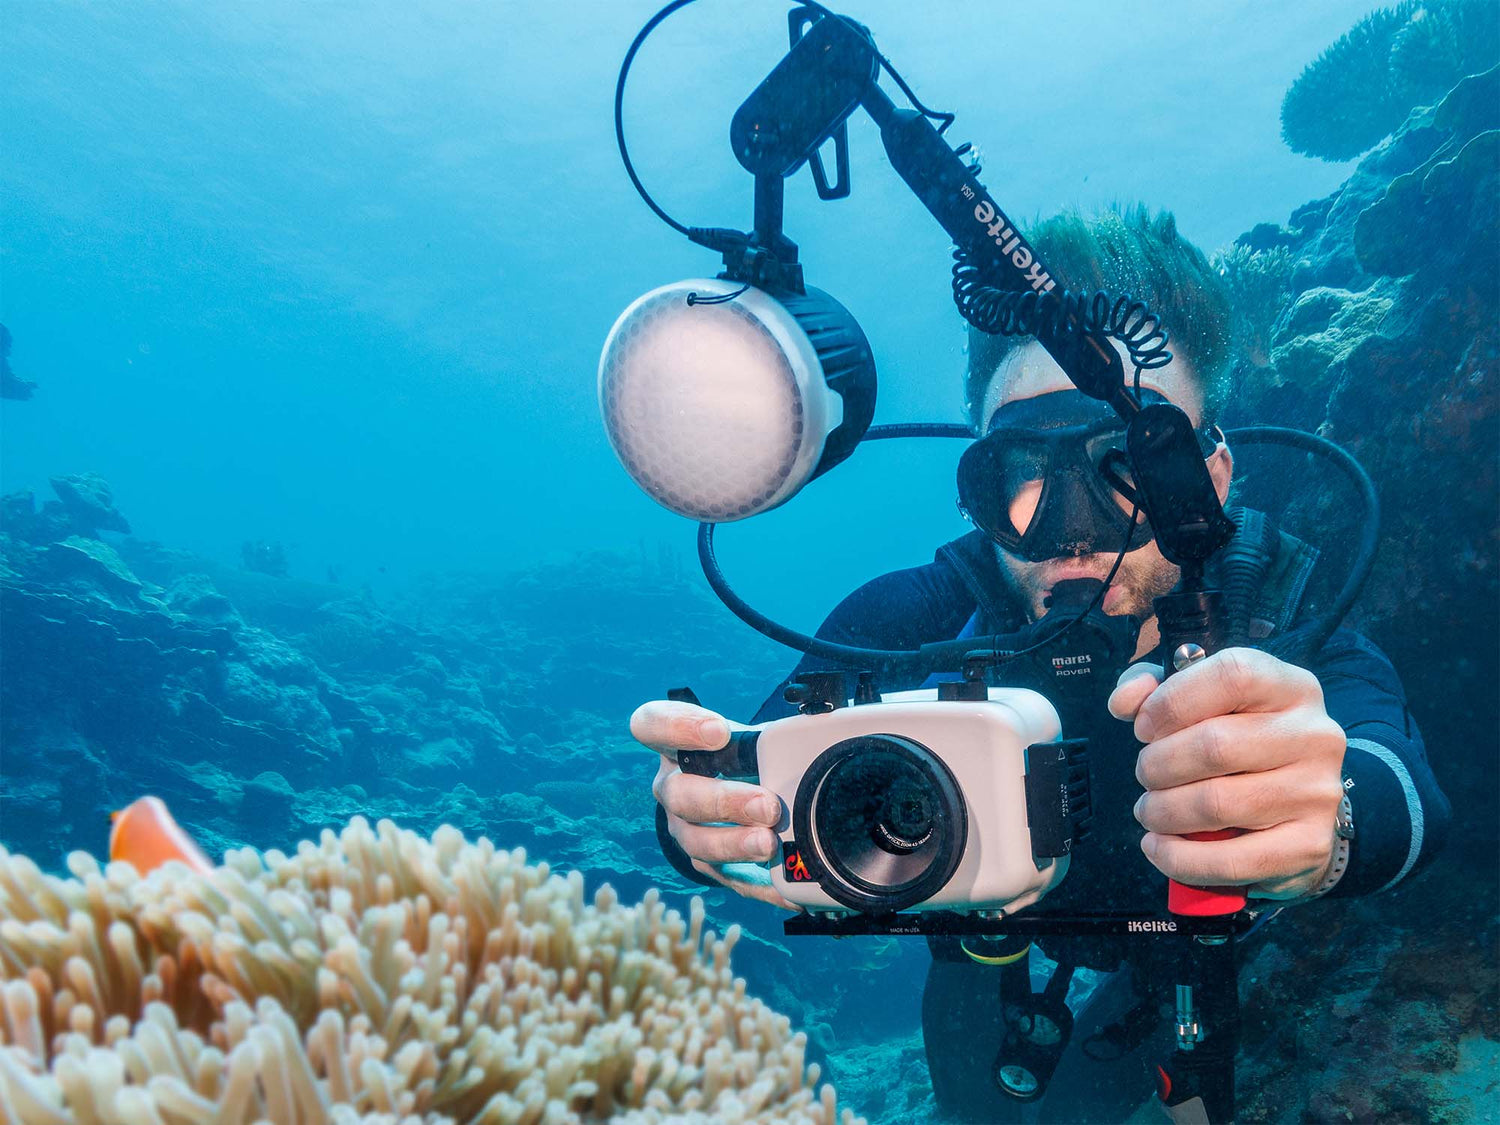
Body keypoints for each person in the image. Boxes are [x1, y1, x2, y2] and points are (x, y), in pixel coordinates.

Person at [630, 206, 1450, 1121]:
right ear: (979, 492)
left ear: (1210, 480)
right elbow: (742, 766)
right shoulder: (925, 617)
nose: (1068, 529)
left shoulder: (1271, 603)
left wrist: (1331, 817)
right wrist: (698, 819)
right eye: (1023, 472)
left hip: (1190, 954)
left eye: (1126, 463)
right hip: (991, 952)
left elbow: (1401, 788)